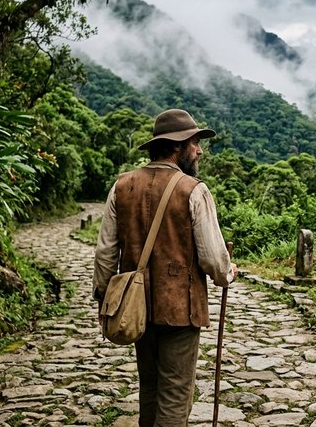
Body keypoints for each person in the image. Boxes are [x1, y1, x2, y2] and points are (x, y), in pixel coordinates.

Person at [93, 108, 237, 427]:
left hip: (136, 306)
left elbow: (105, 252)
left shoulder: (122, 186)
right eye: (195, 143)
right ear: (177, 146)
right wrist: (228, 274)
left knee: (150, 388)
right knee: (175, 394)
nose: (199, 150)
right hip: (180, 309)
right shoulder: (193, 189)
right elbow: (214, 259)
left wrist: (106, 298)